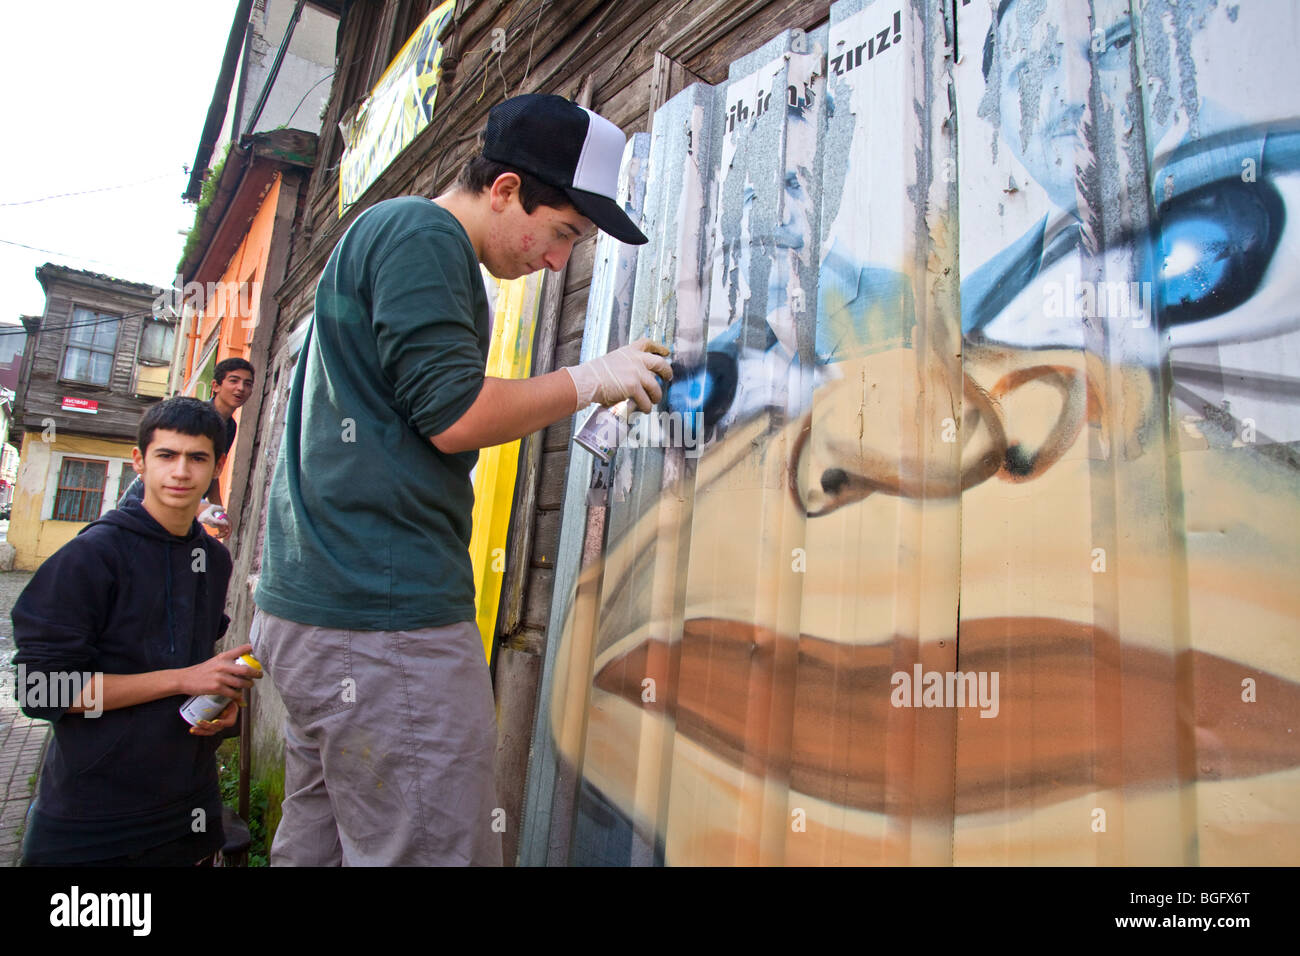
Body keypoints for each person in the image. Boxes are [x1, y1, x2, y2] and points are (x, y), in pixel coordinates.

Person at [251, 93, 673, 866]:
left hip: (317, 617)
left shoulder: (389, 235)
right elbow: (454, 414)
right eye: (562, 234)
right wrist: (592, 378)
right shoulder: (423, 235)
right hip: (380, 624)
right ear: (507, 188)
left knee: (316, 849)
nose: (556, 262)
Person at [12, 396, 262, 866]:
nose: (181, 471)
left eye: (197, 458)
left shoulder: (213, 560)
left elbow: (192, 656)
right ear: (139, 462)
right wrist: (183, 678)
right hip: (94, 815)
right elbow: (40, 688)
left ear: (217, 466)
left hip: (187, 804)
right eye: (166, 455)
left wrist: (221, 701)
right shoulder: (91, 556)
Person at [118, 356, 255, 540]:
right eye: (234, 381)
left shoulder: (229, 426)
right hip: (144, 501)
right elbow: (166, 471)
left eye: (247, 384)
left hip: (181, 509)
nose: (241, 388)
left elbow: (212, 472)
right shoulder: (195, 417)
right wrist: (201, 507)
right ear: (215, 386)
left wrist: (220, 512)